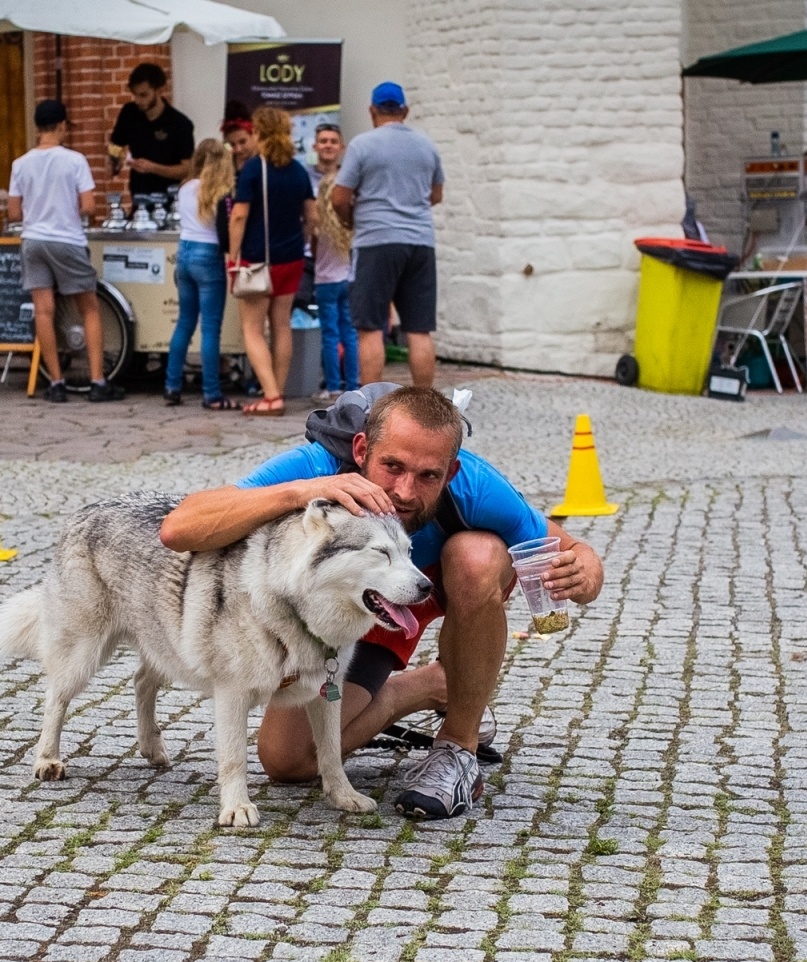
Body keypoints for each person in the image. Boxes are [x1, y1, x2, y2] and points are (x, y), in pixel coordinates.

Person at [159, 385, 606, 820]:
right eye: (392, 466)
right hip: (347, 608)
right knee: (288, 761)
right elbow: (178, 529)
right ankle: (437, 685)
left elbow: (571, 551)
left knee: (477, 556)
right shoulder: (317, 464)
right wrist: (300, 492)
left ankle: (457, 747)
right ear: (360, 450)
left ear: (451, 472)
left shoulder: (474, 484)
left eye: (428, 475)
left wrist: (584, 571)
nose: (406, 491)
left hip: (427, 589)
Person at [9, 99, 122, 403]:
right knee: (89, 307)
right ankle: (98, 381)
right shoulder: (75, 161)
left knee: (44, 312)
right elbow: (88, 206)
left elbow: (13, 212)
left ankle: (56, 383)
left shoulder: (20, 164)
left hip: (33, 240)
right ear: (61, 126)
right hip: (67, 239)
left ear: (37, 128)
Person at [332, 82, 445, 388]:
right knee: (419, 330)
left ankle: (372, 405)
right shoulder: (427, 146)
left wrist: (351, 220)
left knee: (370, 328)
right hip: (420, 242)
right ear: (405, 111)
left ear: (372, 111)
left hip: (376, 241)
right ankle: (425, 406)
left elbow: (339, 197)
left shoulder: (362, 145)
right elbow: (436, 195)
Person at [227, 107, 316, 417]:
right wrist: (299, 241)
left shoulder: (254, 169)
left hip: (257, 259)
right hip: (291, 258)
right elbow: (312, 216)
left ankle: (271, 396)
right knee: (282, 326)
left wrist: (232, 257)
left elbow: (239, 215)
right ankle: (276, 391)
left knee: (252, 329)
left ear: (258, 133)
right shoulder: (298, 170)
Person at [163, 140, 239, 411]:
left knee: (184, 322)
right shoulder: (221, 191)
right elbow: (225, 233)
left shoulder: (185, 188)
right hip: (209, 256)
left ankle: (172, 385)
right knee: (210, 328)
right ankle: (212, 394)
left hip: (184, 253)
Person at [310, 125, 359, 398]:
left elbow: (315, 250)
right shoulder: (348, 223)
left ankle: (331, 386)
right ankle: (353, 384)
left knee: (329, 334)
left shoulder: (320, 225)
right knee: (349, 333)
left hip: (325, 280)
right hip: (347, 278)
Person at [107, 63, 194, 200]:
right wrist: (115, 159)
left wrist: (153, 168)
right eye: (135, 95)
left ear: (160, 90)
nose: (138, 101)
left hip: (170, 200)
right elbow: (116, 144)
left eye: (143, 95)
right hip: (139, 197)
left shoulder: (180, 124)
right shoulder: (129, 112)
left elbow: (187, 169)